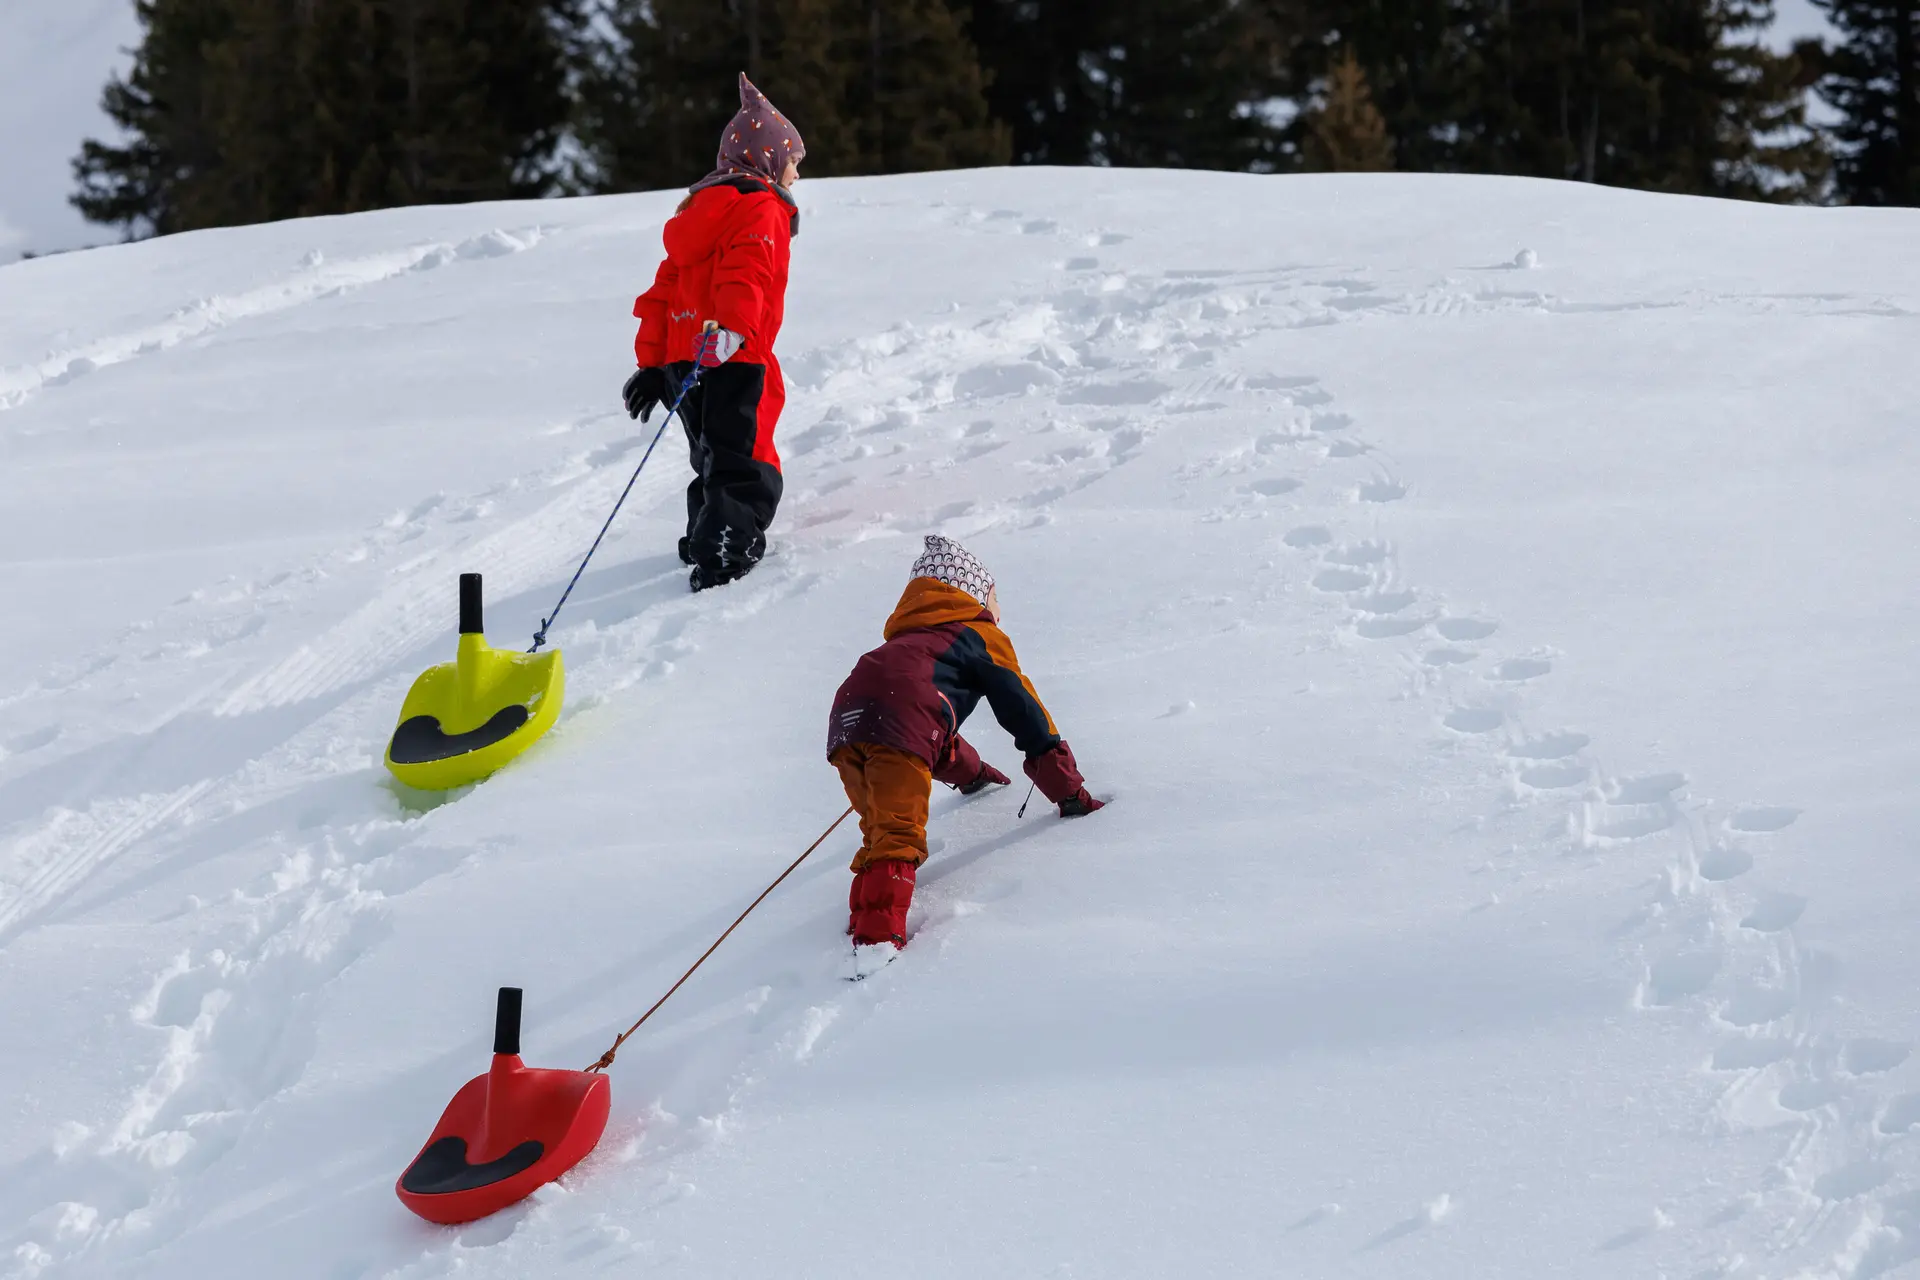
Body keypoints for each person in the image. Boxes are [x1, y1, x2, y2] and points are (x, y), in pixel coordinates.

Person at [827, 535, 1104, 963]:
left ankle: (861, 921)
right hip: (901, 722)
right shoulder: (977, 634)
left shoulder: (907, 644)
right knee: (898, 834)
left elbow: (936, 740)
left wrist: (978, 777)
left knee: (880, 827)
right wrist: (1068, 792)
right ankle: (876, 942)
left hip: (846, 722)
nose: (997, 608)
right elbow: (1025, 711)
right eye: (994, 596)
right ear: (971, 595)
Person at [624, 74, 804, 592]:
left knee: (711, 454)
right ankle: (725, 548)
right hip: (733, 353)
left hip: (688, 358)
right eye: (792, 160)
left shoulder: (698, 212)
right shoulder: (761, 207)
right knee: (744, 458)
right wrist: (733, 332)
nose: (795, 172)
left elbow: (665, 289)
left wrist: (655, 364)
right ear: (766, 158)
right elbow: (747, 273)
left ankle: (705, 532)